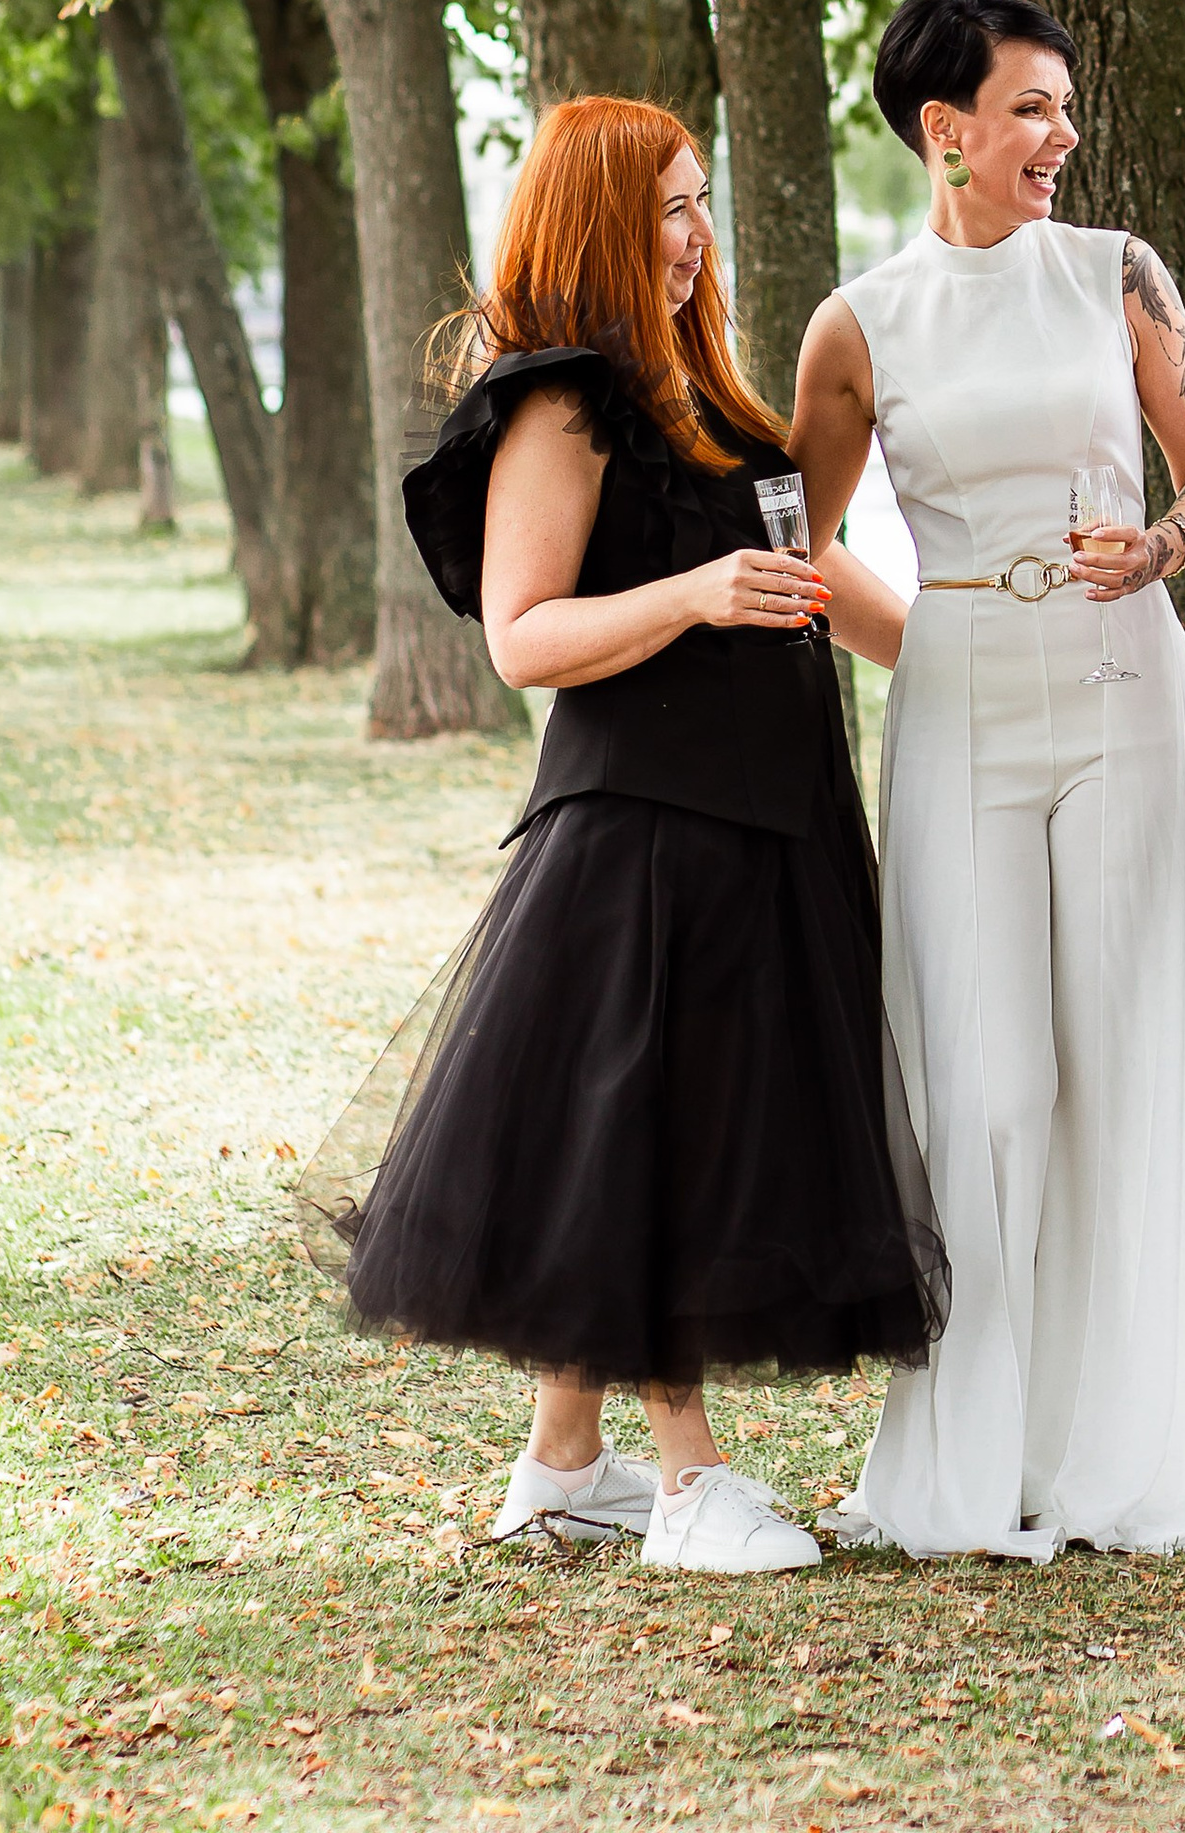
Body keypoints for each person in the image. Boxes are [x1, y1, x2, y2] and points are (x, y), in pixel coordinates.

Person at [296, 95, 941, 1579]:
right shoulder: (560, 401)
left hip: (766, 813)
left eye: (699, 197)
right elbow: (524, 634)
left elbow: (814, 571)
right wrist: (699, 595)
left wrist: (983, 665)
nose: (694, 232)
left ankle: (565, 1461)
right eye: (666, 205)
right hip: (648, 827)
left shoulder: (705, 396)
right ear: (593, 217)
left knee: (633, 1145)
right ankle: (690, 1478)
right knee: (663, 1147)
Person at [788, 0, 1185, 1559]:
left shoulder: (1118, 275)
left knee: (1113, 1066)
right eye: (1034, 109)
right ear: (946, 131)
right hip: (963, 695)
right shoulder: (859, 325)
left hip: (1127, 685)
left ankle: (1105, 1458)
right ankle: (963, 1458)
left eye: (1066, 106)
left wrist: (1165, 545)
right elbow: (804, 540)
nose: (1064, 136)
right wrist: (939, 649)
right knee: (989, 1087)